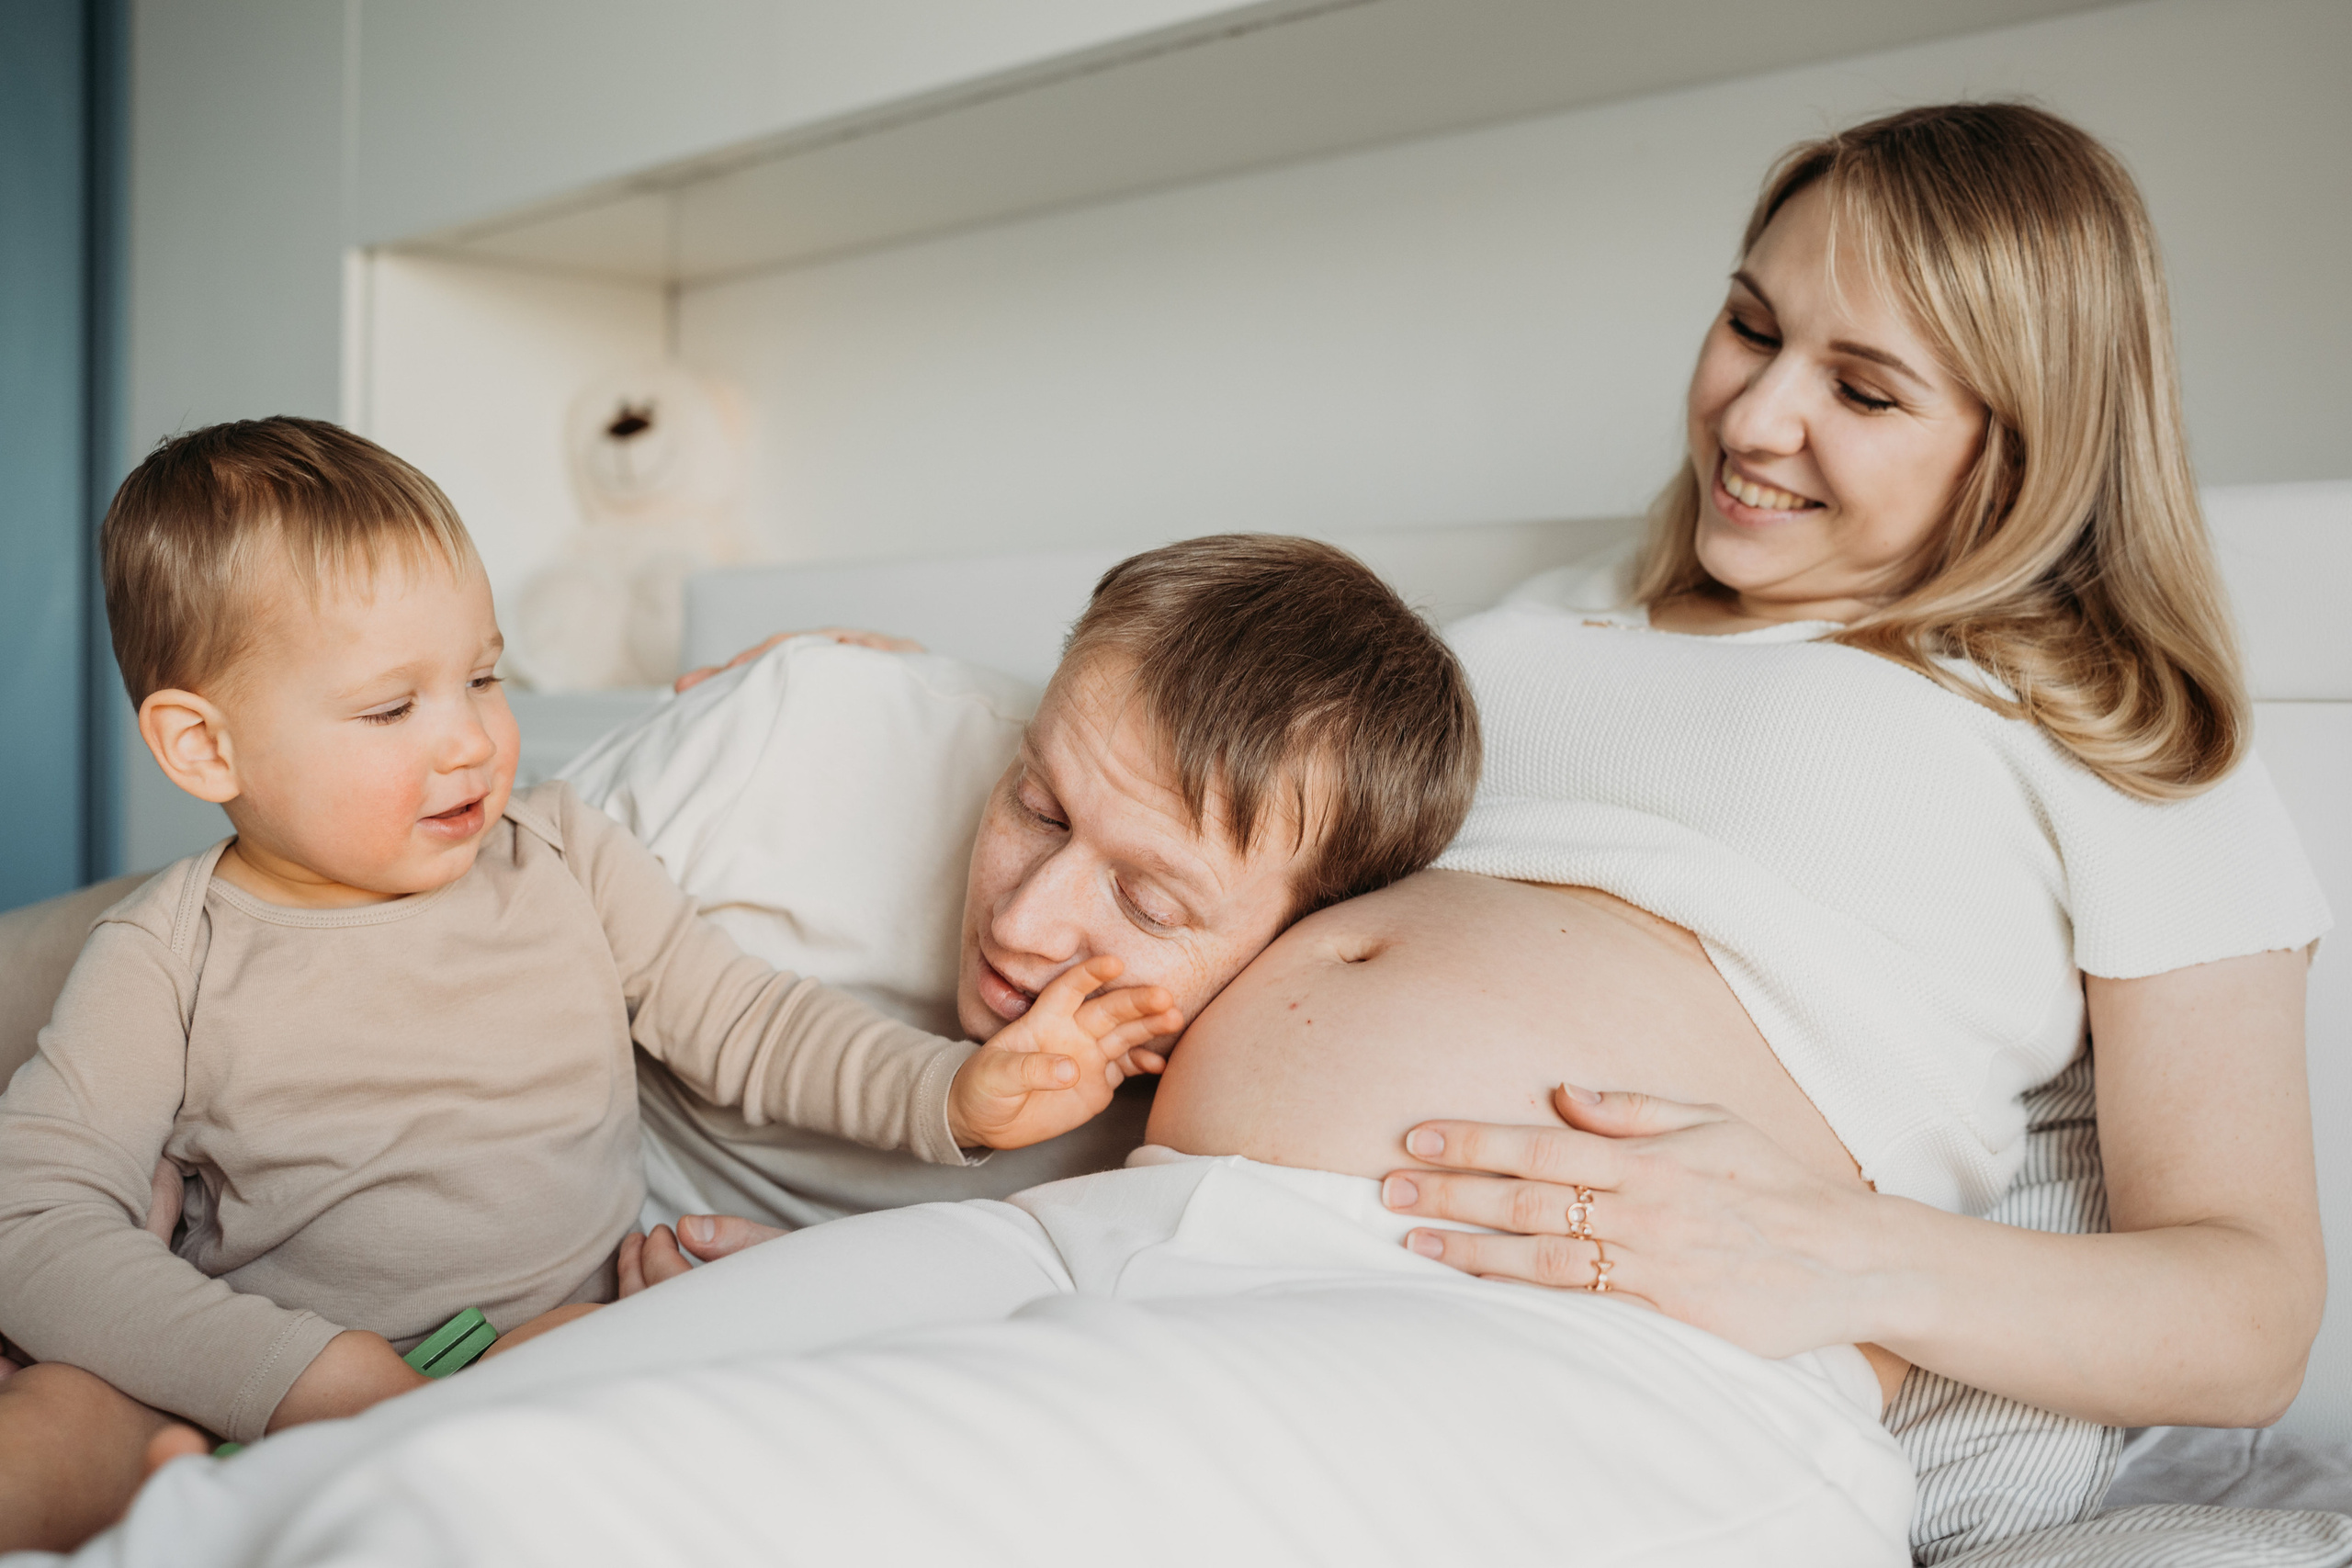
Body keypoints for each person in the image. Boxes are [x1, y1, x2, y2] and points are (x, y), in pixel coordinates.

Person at [650, 103, 2331, 1435]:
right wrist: (892, 687)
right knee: (510, 1436)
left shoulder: (2112, 733)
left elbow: (2249, 1316)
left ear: (2024, 447)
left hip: (1520, 1322)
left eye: (1864, 389)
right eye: (1749, 328)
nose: (1755, 420)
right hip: (1129, 1222)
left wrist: (1838, 1258)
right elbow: (1216, 811)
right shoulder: (1526, 632)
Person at [0, 419, 1186, 1551]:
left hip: (548, 1351)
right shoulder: (165, 954)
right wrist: (307, 1378)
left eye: (483, 676)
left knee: (738, 1419)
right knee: (53, 1424)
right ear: (206, 748)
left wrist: (959, 1095)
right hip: (242, 1390)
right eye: (391, 706)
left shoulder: (563, 852)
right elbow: (34, 1223)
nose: (469, 740)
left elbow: (748, 1022)